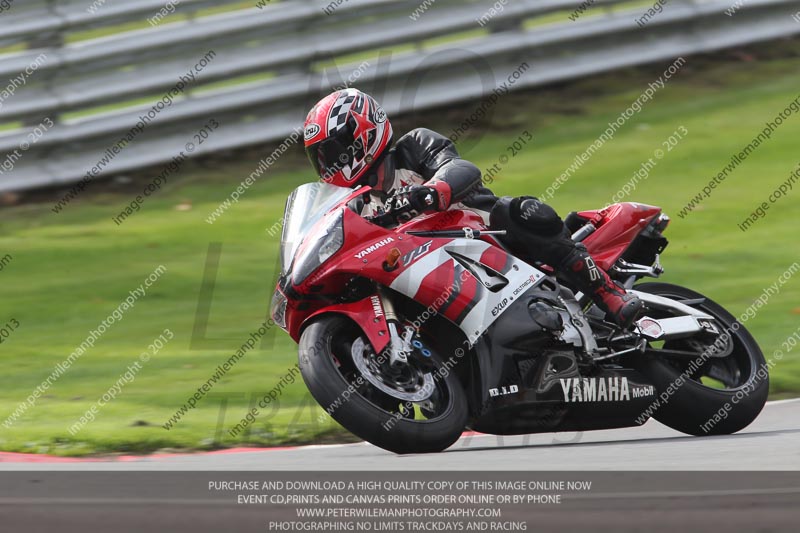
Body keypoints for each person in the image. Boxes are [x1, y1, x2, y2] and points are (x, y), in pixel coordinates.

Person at [303, 88, 643, 328]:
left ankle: (607, 291)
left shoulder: (413, 147)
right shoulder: (356, 204)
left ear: (362, 134)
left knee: (520, 211)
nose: (329, 164)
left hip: (483, 233)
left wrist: (430, 192)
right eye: (321, 157)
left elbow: (461, 169)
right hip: (431, 268)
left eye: (333, 152)